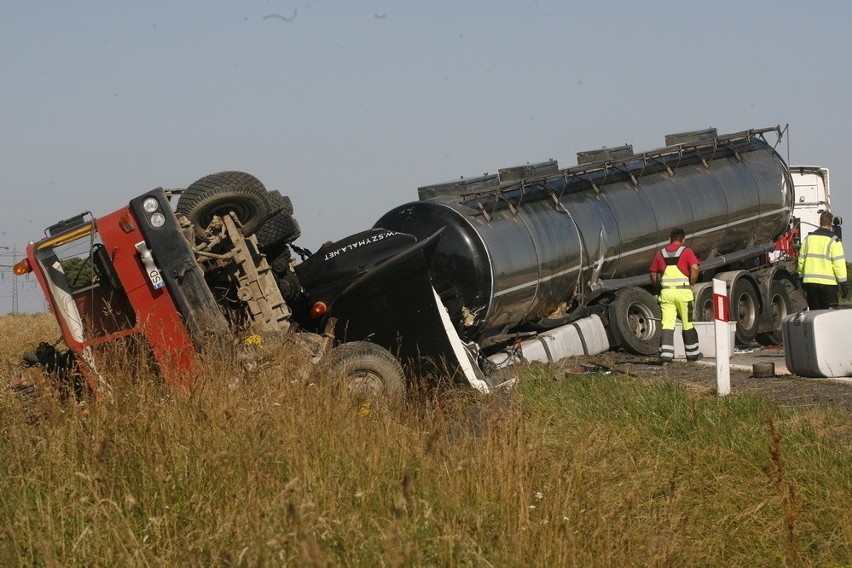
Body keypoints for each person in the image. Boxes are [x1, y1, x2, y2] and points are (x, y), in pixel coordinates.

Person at [649, 228, 702, 364]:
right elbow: (695, 268)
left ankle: (666, 356)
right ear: (683, 239)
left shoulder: (661, 253)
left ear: (669, 238)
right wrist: (692, 283)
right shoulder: (687, 251)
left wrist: (657, 289)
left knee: (667, 324)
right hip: (683, 294)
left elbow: (653, 274)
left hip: (666, 294)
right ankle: (692, 355)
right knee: (687, 323)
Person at [797, 211, 848, 309]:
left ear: (820, 222)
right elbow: (838, 264)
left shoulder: (808, 239)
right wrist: (843, 283)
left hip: (810, 284)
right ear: (831, 224)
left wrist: (801, 278)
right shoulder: (834, 241)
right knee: (828, 317)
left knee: (815, 315)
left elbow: (801, 261)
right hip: (828, 286)